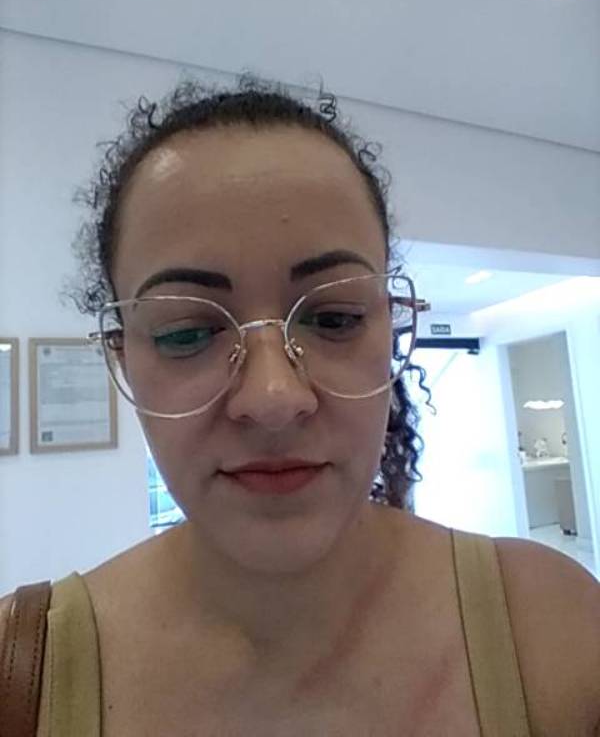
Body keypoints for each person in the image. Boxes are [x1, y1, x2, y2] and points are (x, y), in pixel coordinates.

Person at [1, 77, 599, 736]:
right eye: (187, 332)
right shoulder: (21, 675)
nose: (273, 399)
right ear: (123, 360)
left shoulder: (556, 629)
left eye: (335, 318)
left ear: (391, 329)